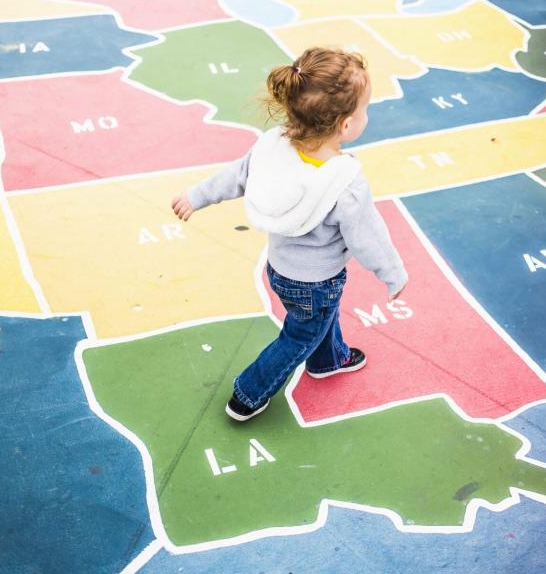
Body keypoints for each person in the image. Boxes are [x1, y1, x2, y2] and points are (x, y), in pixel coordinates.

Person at [170, 47, 408, 422]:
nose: (366, 114)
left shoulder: (272, 147)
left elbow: (235, 175)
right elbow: (369, 238)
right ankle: (249, 393)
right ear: (346, 125)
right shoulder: (344, 183)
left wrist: (195, 196)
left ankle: (330, 360)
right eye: (365, 108)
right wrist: (393, 274)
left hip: (279, 269)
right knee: (299, 335)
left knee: (315, 319)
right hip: (317, 280)